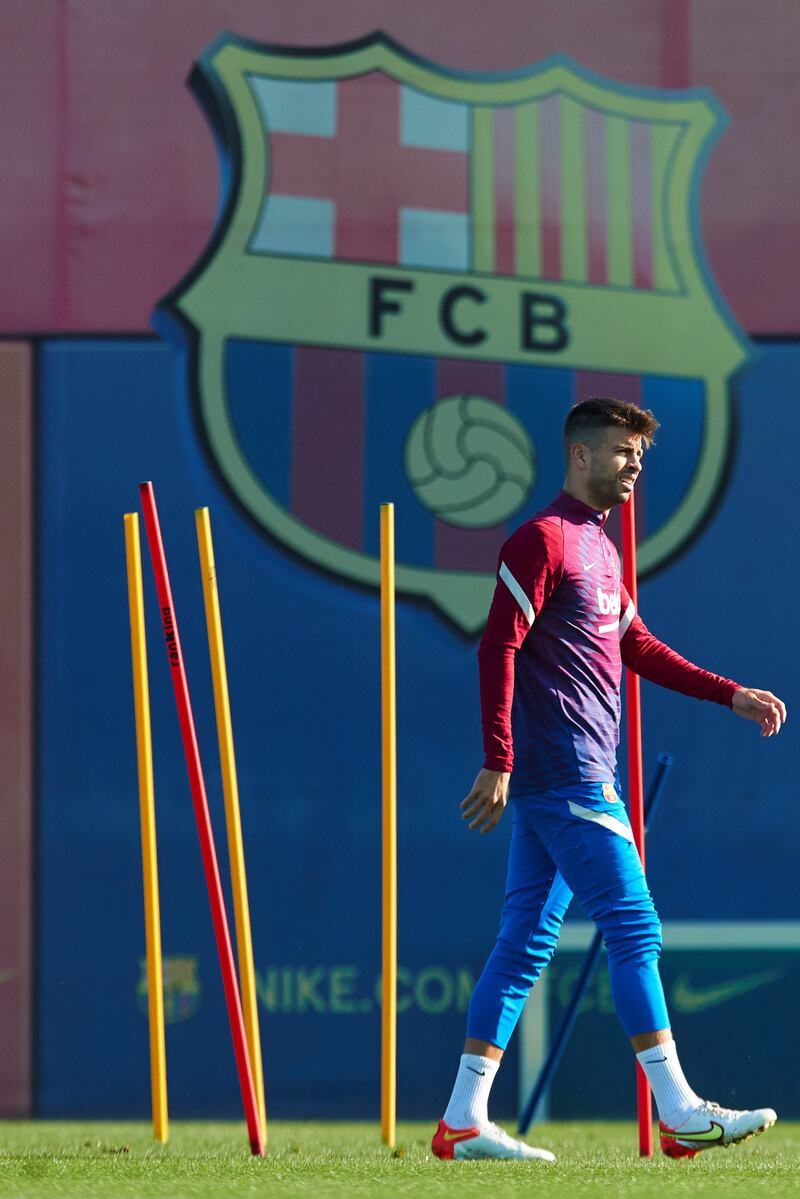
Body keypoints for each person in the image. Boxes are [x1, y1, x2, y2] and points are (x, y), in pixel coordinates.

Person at [431, 397, 787, 1163]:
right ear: (582, 454)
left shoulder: (601, 547)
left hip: (569, 776)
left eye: (641, 456)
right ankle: (681, 1108)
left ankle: (463, 1116)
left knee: (525, 943)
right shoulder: (542, 538)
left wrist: (731, 692)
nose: (634, 467)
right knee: (635, 924)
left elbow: (640, 646)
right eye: (624, 453)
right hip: (565, 773)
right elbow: (498, 644)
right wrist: (497, 756)